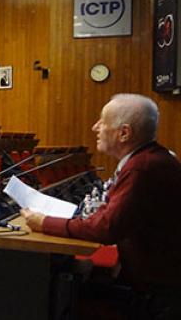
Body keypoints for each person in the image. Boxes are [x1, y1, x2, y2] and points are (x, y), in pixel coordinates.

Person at [22, 94, 181, 319]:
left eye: (103, 121)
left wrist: (43, 222)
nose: (95, 127)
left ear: (124, 133)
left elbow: (105, 229)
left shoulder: (142, 168)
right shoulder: (149, 159)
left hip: (157, 294)